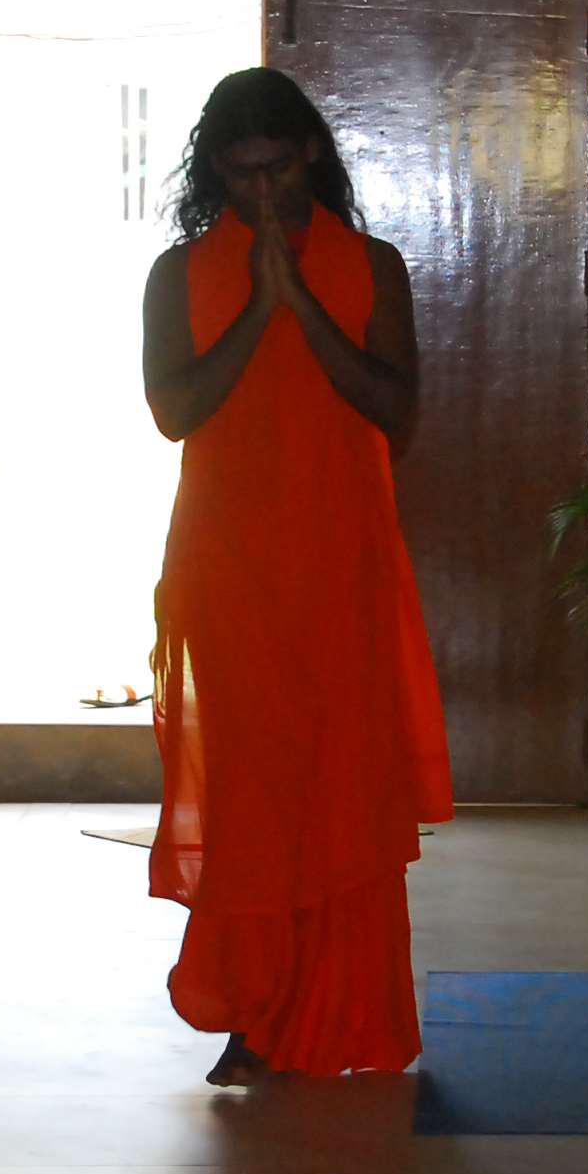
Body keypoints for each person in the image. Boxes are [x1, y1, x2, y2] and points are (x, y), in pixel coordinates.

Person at [138, 67, 453, 1082]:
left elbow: (394, 413)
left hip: (339, 561)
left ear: (310, 153)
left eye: (277, 168)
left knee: (342, 784)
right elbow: (175, 411)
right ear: (215, 173)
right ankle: (257, 1012)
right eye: (240, 175)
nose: (262, 192)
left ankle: (343, 1011)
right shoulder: (178, 275)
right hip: (227, 567)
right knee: (253, 790)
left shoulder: (372, 266)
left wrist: (302, 303)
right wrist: (255, 306)